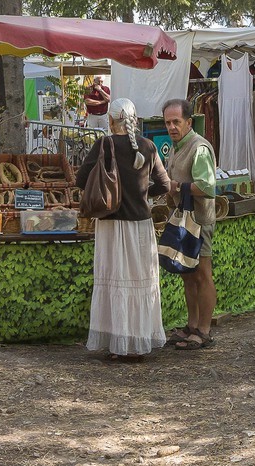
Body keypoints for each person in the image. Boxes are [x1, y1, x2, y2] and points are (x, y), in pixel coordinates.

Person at [75, 96, 169, 360]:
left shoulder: (104, 144)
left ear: (110, 120)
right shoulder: (148, 146)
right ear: (134, 119)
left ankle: (119, 344)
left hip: (111, 226)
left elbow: (81, 179)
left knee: (115, 284)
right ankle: (138, 343)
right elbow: (165, 184)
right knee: (139, 283)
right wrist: (142, 194)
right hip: (141, 226)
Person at [163, 98, 218, 350]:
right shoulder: (176, 147)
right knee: (188, 274)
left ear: (189, 122)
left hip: (199, 220)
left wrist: (176, 186)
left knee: (202, 274)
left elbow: (206, 186)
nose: (172, 127)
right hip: (184, 220)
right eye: (168, 123)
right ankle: (192, 325)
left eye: (176, 122)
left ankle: (203, 331)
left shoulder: (199, 148)